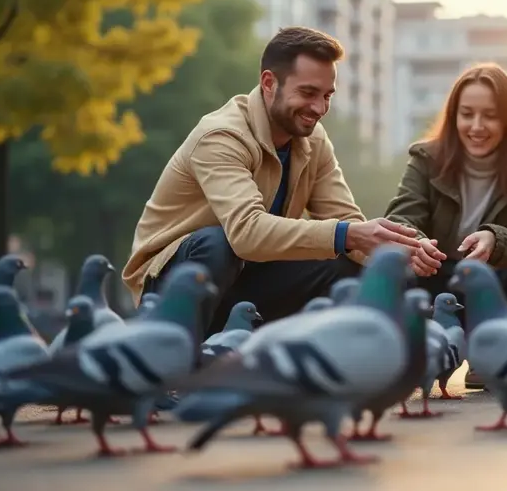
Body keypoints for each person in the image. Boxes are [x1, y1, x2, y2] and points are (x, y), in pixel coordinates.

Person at [122, 26, 421, 336]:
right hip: (173, 284)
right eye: (307, 93)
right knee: (217, 243)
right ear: (269, 82)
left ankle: (315, 364)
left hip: (249, 275)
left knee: (348, 266)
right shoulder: (221, 136)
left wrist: (400, 251)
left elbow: (345, 222)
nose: (319, 108)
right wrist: (350, 234)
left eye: (327, 95)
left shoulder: (313, 141)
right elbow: (246, 233)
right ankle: (174, 358)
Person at [384, 63, 507, 389]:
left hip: (492, 283)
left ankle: (494, 353)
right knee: (397, 266)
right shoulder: (425, 158)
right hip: (436, 278)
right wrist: (418, 244)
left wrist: (496, 239)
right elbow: (400, 219)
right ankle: (421, 356)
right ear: (454, 117)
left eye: (490, 115)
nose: (477, 126)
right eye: (467, 114)